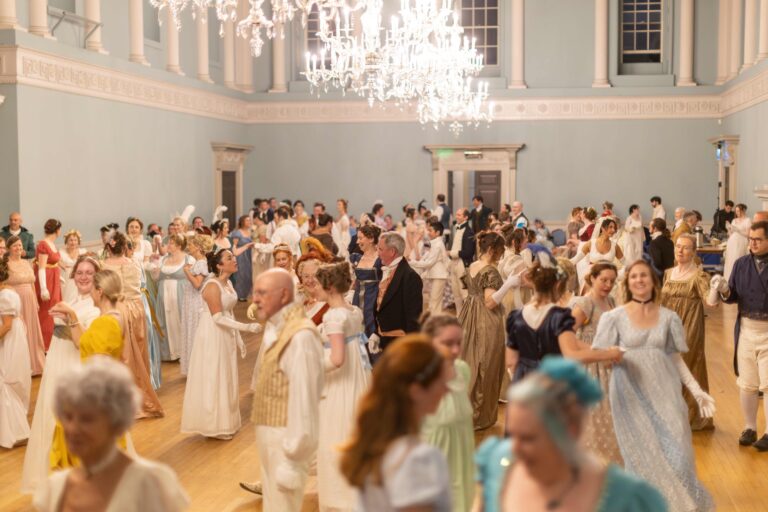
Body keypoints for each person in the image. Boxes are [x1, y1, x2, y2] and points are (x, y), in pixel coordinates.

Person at [592, 259, 715, 510]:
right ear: (627, 282)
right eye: (634, 276)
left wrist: (697, 390)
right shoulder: (613, 318)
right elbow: (600, 357)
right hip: (628, 392)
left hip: (665, 391)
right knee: (640, 456)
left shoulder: (669, 318)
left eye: (644, 276)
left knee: (678, 453)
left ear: (654, 281)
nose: (639, 280)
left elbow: (675, 358)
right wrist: (614, 355)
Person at [474, 357, 667, 512]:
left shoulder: (627, 498)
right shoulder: (497, 461)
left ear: (570, 429)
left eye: (528, 438)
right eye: (512, 434)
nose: (514, 447)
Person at [33, 356, 189, 511]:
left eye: (86, 419)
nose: (73, 428)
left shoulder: (150, 484)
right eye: (67, 417)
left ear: (116, 421)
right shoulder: (54, 489)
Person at [340, 335, 453, 512]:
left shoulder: (376, 446)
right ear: (416, 391)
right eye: (442, 383)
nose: (447, 390)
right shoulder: (417, 459)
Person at [21, 256, 101, 493]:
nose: (84, 277)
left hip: (77, 370)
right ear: (73, 276)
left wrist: (71, 317)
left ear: (98, 277)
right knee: (52, 420)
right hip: (58, 368)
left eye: (89, 273)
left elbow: (86, 343)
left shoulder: (97, 307)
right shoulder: (72, 299)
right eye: (80, 272)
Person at [245, 268, 324, 511]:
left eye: (262, 293)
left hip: (286, 440)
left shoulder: (300, 336)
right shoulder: (277, 327)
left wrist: (292, 460)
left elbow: (306, 403)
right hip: (271, 435)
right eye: (255, 292)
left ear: (284, 295)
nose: (255, 299)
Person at [47, 269, 129, 469]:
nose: (90, 293)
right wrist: (72, 316)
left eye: (92, 289)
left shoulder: (105, 323)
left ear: (100, 291)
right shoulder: (115, 316)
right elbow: (84, 341)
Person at [181, 249, 261, 440]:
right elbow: (217, 317)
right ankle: (213, 425)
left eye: (233, 257)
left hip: (226, 333)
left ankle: (226, 422)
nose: (234, 260)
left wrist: (239, 339)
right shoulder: (211, 286)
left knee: (226, 375)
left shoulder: (229, 284)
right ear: (219, 265)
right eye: (229, 258)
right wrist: (246, 328)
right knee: (214, 375)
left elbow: (229, 312)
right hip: (213, 334)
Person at [506, 256, 622, 382]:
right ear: (559, 284)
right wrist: (608, 354)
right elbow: (571, 354)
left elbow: (511, 362)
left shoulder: (516, 316)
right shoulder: (558, 317)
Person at [314, 262, 371, 511]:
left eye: (316, 284)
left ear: (328, 286)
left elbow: (336, 359)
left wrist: (309, 366)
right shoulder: (354, 311)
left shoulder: (333, 316)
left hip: (340, 384)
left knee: (335, 435)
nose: (313, 288)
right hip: (358, 379)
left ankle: (340, 499)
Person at [710, 220, 768, 450]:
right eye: (751, 239)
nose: (752, 243)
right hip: (745, 329)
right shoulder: (741, 264)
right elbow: (732, 296)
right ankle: (749, 427)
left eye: (758, 239)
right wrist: (725, 289)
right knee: (748, 383)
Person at [103, 232, 164, 419]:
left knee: (122, 355)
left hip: (117, 310)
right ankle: (138, 396)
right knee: (139, 353)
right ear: (125, 247)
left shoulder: (104, 266)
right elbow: (140, 285)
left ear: (109, 248)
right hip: (137, 309)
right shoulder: (135, 264)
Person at [420, 315, 474, 512]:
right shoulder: (418, 378)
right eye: (447, 343)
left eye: (459, 343)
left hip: (462, 466)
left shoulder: (462, 370)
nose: (456, 350)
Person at [570, 262, 622, 465]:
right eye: (604, 280)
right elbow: (566, 335)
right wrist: (596, 350)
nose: (608, 285)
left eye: (612, 281)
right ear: (592, 279)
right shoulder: (585, 304)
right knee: (592, 421)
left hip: (610, 367)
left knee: (610, 421)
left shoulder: (610, 301)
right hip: (591, 369)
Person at [661, 234, 715, 431]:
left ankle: (690, 416)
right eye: (678, 246)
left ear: (694, 252)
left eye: (685, 247)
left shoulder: (699, 276)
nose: (680, 250)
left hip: (689, 327)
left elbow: (710, 302)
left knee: (685, 366)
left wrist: (718, 289)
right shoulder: (668, 273)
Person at [459, 232, 510, 430]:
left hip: (468, 313)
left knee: (469, 359)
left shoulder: (472, 265)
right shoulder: (491, 270)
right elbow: (489, 302)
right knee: (486, 362)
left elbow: (471, 290)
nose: (502, 253)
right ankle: (478, 415)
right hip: (485, 320)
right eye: (500, 250)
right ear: (491, 249)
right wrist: (508, 285)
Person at [373, 232, 423, 352]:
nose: (378, 253)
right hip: (383, 338)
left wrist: (411, 346)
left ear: (392, 252)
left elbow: (414, 317)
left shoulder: (410, 277)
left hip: (399, 342)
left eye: (380, 249)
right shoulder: (382, 271)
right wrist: (376, 333)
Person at [0, 258, 31, 449]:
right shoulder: (5, 291)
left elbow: (7, 325)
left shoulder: (4, 295)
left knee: (5, 380)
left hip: (9, 340)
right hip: (12, 338)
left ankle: (15, 431)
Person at [4, 235, 46, 375]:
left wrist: (35, 299)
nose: (18, 248)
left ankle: (36, 365)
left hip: (30, 300)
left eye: (20, 245)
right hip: (15, 301)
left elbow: (32, 283)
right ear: (9, 248)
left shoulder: (26, 263)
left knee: (33, 330)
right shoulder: (5, 264)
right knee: (20, 332)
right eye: (15, 245)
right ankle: (22, 367)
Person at [151, 234, 194, 361]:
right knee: (166, 322)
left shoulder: (189, 259)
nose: (167, 246)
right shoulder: (163, 259)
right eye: (168, 243)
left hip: (181, 294)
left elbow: (194, 278)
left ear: (179, 246)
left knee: (181, 321)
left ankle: (184, 353)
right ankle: (170, 353)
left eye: (171, 243)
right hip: (164, 295)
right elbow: (155, 278)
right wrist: (153, 268)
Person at [179, 233, 212, 376]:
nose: (189, 247)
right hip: (192, 301)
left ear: (198, 247)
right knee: (191, 330)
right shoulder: (198, 263)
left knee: (195, 331)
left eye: (191, 245)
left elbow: (197, 284)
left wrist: (186, 271)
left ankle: (198, 369)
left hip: (196, 302)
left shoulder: (201, 263)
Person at [34, 219, 63, 350]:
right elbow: (41, 268)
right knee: (46, 312)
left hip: (54, 279)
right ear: (57, 230)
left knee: (54, 310)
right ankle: (44, 345)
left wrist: (59, 277)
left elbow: (53, 264)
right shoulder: (43, 245)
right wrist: (44, 288)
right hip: (46, 280)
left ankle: (53, 342)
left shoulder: (51, 243)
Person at [410, 221, 450, 315]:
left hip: (439, 276)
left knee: (434, 302)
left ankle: (434, 325)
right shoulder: (435, 243)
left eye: (430, 230)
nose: (428, 232)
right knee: (434, 301)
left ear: (438, 233)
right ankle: (435, 325)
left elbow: (429, 263)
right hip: (436, 275)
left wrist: (413, 262)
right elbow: (427, 259)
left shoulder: (437, 244)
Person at [350, 224, 382, 338]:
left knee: (371, 328)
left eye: (360, 238)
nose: (357, 242)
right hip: (357, 300)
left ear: (371, 239)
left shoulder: (380, 259)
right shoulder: (356, 258)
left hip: (373, 300)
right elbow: (353, 283)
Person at [448, 208, 475, 313]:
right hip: (454, 263)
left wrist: (451, 253)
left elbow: (469, 252)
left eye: (459, 215)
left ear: (466, 217)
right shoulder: (457, 228)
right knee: (456, 294)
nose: (456, 216)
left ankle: (468, 318)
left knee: (464, 293)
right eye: (457, 214)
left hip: (462, 265)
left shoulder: (469, 231)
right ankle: (459, 317)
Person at [724, 203, 752, 280]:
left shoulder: (747, 220)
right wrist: (729, 229)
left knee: (738, 259)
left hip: (741, 242)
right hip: (732, 242)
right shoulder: (734, 220)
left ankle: (739, 280)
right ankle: (729, 279)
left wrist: (738, 230)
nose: (737, 213)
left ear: (743, 211)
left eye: (738, 211)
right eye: (736, 211)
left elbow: (748, 234)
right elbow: (730, 234)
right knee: (730, 260)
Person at [231, 215, 255, 301]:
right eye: (247, 220)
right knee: (241, 275)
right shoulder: (237, 233)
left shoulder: (250, 232)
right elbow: (234, 247)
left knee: (248, 275)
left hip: (248, 255)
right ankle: (238, 295)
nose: (249, 222)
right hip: (240, 256)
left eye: (250, 220)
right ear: (242, 222)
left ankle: (245, 295)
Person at [59, 230, 86, 303]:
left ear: (78, 241)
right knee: (66, 299)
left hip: (78, 279)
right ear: (66, 241)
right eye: (70, 240)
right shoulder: (61, 252)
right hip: (66, 280)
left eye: (75, 240)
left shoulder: (82, 252)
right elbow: (57, 263)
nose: (73, 242)